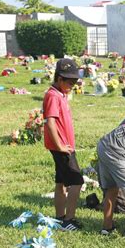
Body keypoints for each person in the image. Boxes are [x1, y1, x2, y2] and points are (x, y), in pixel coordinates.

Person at [43, 58, 83, 231]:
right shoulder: (53, 95)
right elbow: (50, 122)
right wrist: (60, 145)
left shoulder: (60, 94)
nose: (73, 85)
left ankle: (59, 217)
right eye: (70, 82)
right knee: (77, 182)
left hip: (63, 146)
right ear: (59, 79)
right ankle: (69, 220)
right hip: (62, 147)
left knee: (61, 182)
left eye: (75, 81)